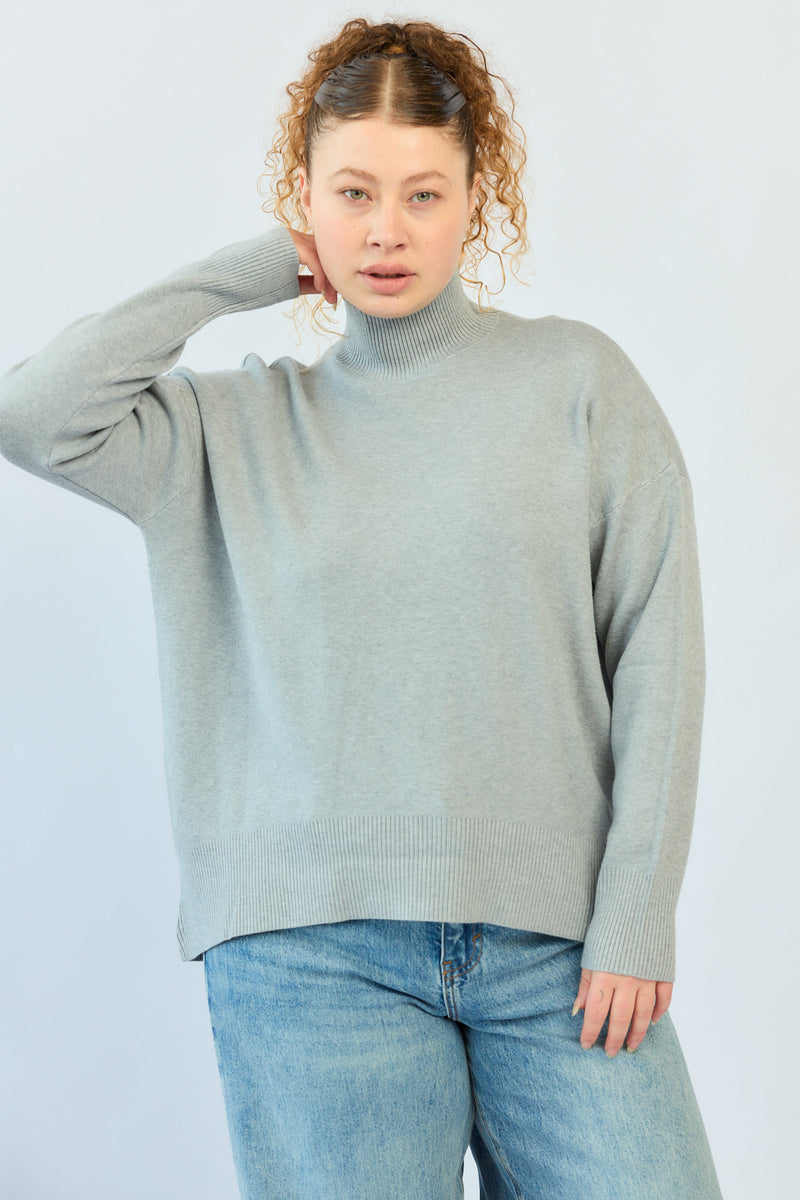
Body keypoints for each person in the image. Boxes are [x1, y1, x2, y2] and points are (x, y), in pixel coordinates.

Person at [0, 15, 723, 1200]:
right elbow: (33, 416)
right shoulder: (227, 430)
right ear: (306, 200)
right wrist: (248, 269)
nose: (386, 230)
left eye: (423, 194)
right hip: (308, 957)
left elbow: (658, 653)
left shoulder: (578, 384)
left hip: (559, 952)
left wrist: (637, 914)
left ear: (475, 197)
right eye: (353, 193)